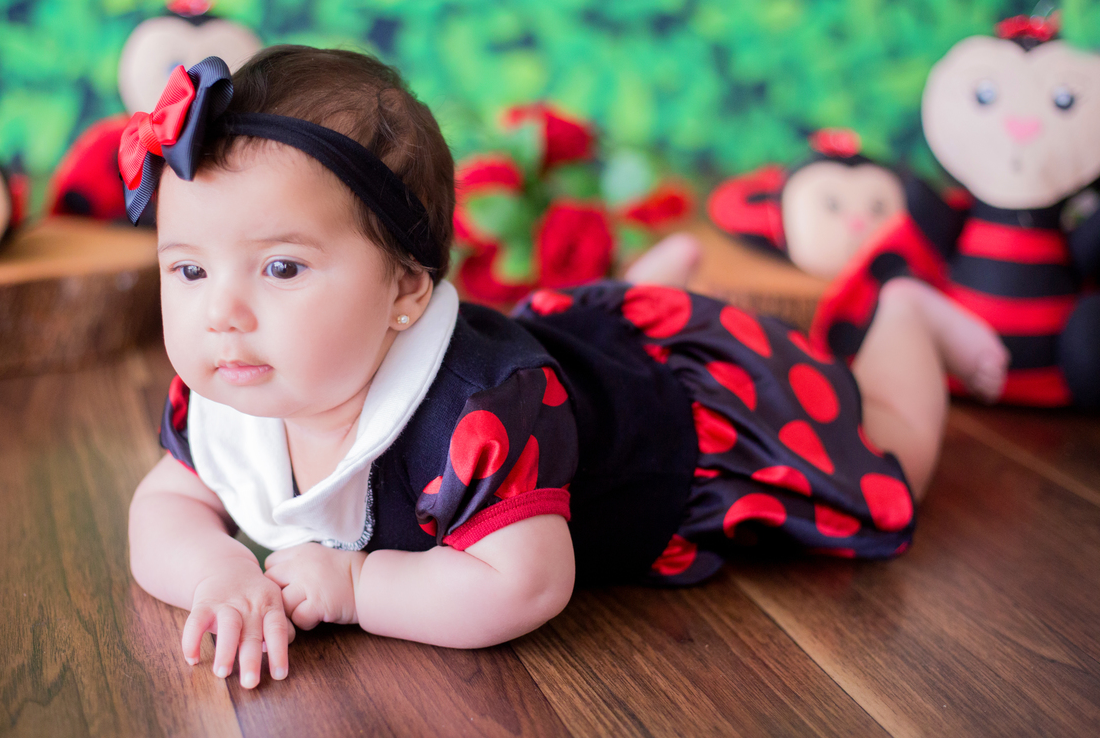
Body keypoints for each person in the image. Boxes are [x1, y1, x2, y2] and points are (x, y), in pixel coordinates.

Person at [126, 46, 1008, 690]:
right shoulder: (234, 383)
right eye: (188, 271)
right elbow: (165, 506)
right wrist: (219, 574)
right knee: (589, 334)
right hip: (569, 360)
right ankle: (644, 289)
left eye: (281, 267)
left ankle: (904, 314)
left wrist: (358, 585)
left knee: (889, 452)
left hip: (680, 422)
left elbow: (527, 583)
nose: (221, 312)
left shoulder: (477, 413)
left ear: (405, 289)